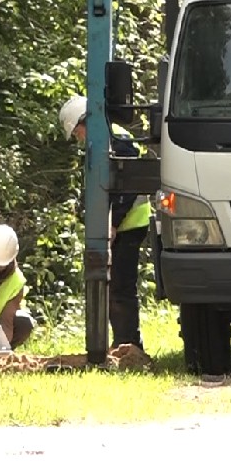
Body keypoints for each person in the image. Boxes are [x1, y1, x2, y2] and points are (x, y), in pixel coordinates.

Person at [59, 95, 152, 351]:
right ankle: (123, 341)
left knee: (121, 287)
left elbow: (127, 185)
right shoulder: (107, 139)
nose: (78, 138)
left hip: (129, 224)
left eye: (77, 132)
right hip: (123, 224)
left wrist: (114, 223)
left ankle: (129, 344)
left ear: (84, 120)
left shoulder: (117, 140)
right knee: (115, 287)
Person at [0, 224, 35, 349]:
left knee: (24, 323)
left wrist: (1, 350)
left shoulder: (16, 281)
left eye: (0, 266)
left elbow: (7, 321)